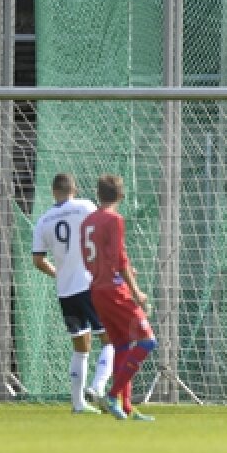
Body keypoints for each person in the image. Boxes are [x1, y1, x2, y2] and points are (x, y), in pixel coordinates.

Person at [31, 173, 114, 414]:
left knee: (81, 346)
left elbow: (38, 260)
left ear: (52, 191)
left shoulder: (43, 220)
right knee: (110, 338)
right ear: (74, 189)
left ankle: (78, 404)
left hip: (66, 291)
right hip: (90, 284)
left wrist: (58, 273)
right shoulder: (86, 206)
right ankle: (97, 387)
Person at [79, 174, 156, 421]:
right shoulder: (114, 219)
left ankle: (126, 407)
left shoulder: (87, 222)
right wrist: (137, 291)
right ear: (121, 196)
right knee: (147, 341)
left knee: (122, 345)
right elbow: (120, 258)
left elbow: (90, 258)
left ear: (98, 194)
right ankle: (112, 395)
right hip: (115, 290)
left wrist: (108, 273)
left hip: (97, 290)